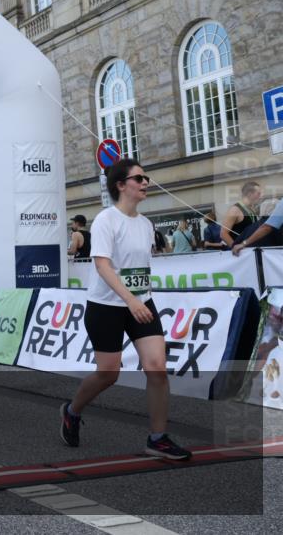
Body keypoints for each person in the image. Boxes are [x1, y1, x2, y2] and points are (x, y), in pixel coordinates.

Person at [60, 158, 192, 461]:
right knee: (109, 374)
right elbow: (103, 266)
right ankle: (71, 411)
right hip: (106, 305)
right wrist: (130, 299)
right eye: (139, 178)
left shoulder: (146, 224)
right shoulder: (106, 219)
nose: (145, 182)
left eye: (146, 178)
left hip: (141, 303)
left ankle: (158, 438)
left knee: (157, 366)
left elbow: (139, 268)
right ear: (121, 185)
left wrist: (139, 299)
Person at [221, 180, 262, 248]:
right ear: (249, 194)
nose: (260, 196)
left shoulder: (252, 210)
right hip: (240, 255)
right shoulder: (235, 210)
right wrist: (236, 248)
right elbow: (223, 234)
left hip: (250, 251)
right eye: (258, 193)